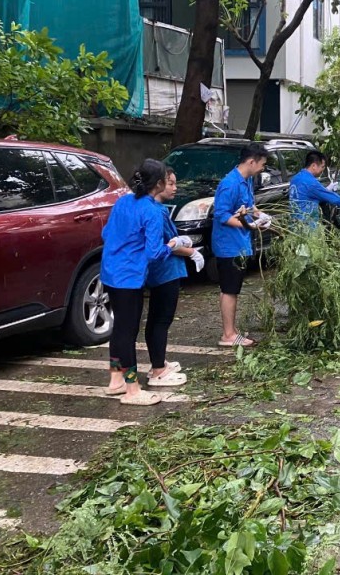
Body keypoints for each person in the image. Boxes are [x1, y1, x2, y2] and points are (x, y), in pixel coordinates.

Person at [101, 159, 201, 405]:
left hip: (110, 271)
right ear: (158, 183)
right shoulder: (153, 211)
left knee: (120, 328)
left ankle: (116, 379)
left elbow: (106, 233)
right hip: (130, 276)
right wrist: (174, 244)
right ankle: (132, 388)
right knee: (128, 331)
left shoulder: (123, 201)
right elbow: (154, 252)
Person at [145, 166, 202, 388]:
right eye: (171, 183)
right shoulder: (157, 212)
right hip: (166, 272)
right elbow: (168, 244)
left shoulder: (154, 208)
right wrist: (191, 251)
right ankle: (158, 368)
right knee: (161, 319)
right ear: (159, 184)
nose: (175, 188)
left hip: (158, 271)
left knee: (156, 319)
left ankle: (158, 362)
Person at [212, 142, 272, 348]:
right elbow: (221, 215)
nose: (263, 168)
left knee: (233, 288)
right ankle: (228, 334)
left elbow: (248, 206)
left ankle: (232, 330)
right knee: (229, 289)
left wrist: (260, 215)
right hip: (229, 245)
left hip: (240, 243)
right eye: (262, 164)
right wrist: (250, 226)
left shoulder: (245, 181)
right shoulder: (229, 184)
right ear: (251, 161)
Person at [289, 150, 340, 227]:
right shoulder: (311, 182)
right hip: (307, 226)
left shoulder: (295, 178)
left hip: (295, 224)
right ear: (314, 166)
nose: (323, 170)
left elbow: (307, 195)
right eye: (322, 167)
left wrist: (326, 189)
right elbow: (331, 198)